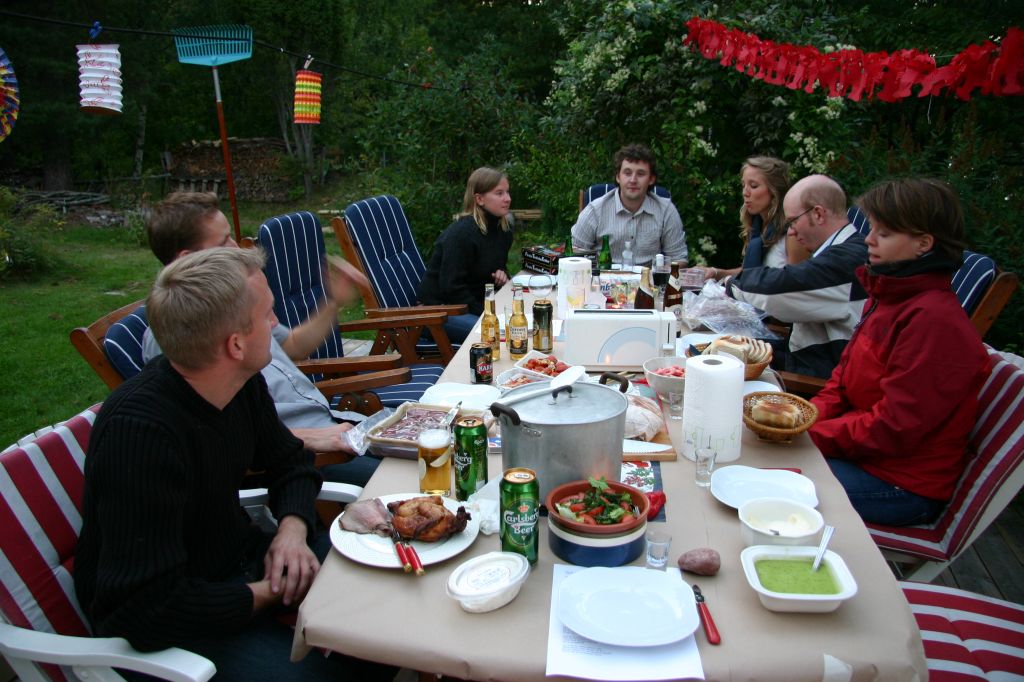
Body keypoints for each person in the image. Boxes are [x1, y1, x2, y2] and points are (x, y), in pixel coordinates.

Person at [74, 248, 392, 679]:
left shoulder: (238, 384)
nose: (276, 324)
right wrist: (270, 592)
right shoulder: (140, 436)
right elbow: (146, 608)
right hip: (175, 624)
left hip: (243, 563)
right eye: (267, 315)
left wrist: (293, 531)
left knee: (395, 600)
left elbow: (291, 462)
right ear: (235, 344)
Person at [144, 192, 380, 487]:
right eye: (224, 242)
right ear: (187, 259)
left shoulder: (244, 306)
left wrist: (333, 302)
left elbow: (293, 345)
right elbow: (207, 434)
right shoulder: (179, 337)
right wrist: (304, 437)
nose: (236, 247)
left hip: (330, 426)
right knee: (417, 476)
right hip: (302, 456)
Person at [809, 178, 990, 526]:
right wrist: (804, 419)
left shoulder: (935, 322)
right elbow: (842, 383)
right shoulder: (890, 297)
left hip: (899, 484)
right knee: (762, 457)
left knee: (768, 479)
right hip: (864, 456)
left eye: (885, 233)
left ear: (924, 243)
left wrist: (810, 436)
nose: (868, 239)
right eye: (872, 229)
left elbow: (894, 427)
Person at [722, 174, 868, 378]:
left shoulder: (847, 260)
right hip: (810, 360)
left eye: (792, 222)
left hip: (813, 379)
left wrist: (729, 284)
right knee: (724, 348)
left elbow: (777, 290)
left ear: (818, 214)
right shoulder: (844, 251)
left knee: (721, 364)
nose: (790, 232)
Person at [417, 167, 515, 344]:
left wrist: (502, 276)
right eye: (499, 193)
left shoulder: (503, 230)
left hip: (471, 305)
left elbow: (488, 269)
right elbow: (451, 288)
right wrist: (486, 314)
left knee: (521, 323)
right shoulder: (461, 235)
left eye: (507, 192)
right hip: (438, 312)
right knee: (501, 333)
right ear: (479, 199)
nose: (507, 198)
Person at [571, 143, 687, 266]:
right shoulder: (595, 210)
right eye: (627, 173)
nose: (633, 180)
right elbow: (574, 253)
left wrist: (657, 274)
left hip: (649, 277)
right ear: (618, 177)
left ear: (651, 179)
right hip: (603, 275)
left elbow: (678, 259)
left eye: (640, 174)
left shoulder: (666, 211)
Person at [701, 156, 807, 281]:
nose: (745, 193)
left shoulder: (793, 232)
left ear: (774, 191)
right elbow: (749, 272)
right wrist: (715, 272)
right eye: (743, 185)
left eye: (753, 186)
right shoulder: (756, 228)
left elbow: (795, 282)